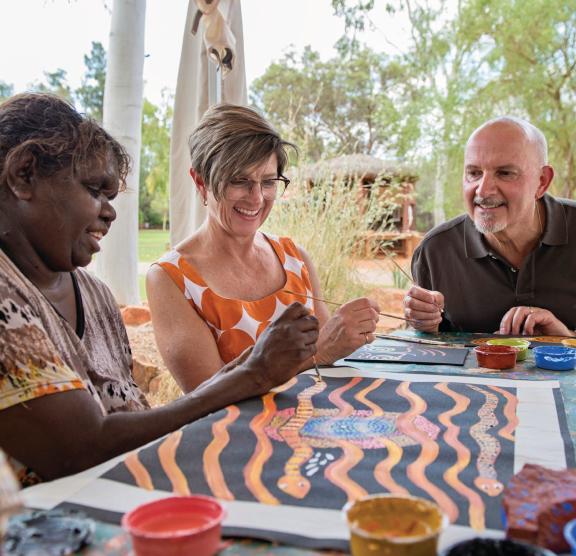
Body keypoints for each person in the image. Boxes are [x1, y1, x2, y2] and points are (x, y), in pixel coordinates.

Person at [0, 93, 320, 487]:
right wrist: (255, 372)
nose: (110, 211)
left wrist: (258, 370)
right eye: (94, 190)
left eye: (111, 196)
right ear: (24, 175)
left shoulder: (95, 296)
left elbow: (128, 416)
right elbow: (79, 450)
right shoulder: (5, 296)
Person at [146, 104, 381, 393]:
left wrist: (350, 333)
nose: (256, 198)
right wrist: (321, 352)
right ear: (201, 182)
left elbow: (328, 367)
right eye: (239, 181)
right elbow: (206, 396)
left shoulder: (295, 258)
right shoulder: (171, 279)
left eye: (268, 182)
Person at [404, 116, 576, 337]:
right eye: (474, 173)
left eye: (505, 173)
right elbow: (420, 349)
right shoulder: (436, 250)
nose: (483, 191)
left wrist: (567, 339)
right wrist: (424, 325)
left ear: (541, 181)